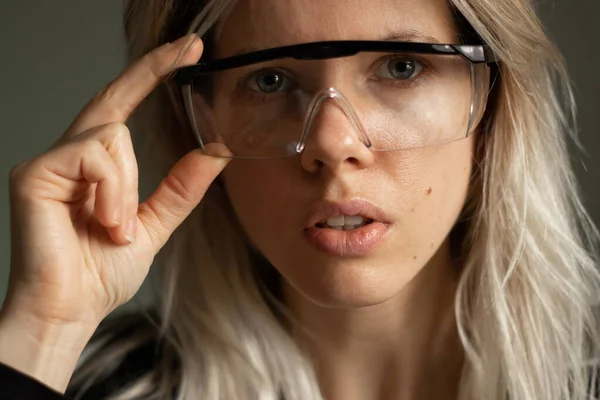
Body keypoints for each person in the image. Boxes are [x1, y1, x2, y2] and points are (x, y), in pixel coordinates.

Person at [1, 0, 599, 399]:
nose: (333, 144)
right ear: (199, 126)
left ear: (491, 104)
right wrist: (45, 329)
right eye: (270, 80)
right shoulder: (95, 383)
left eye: (399, 67)